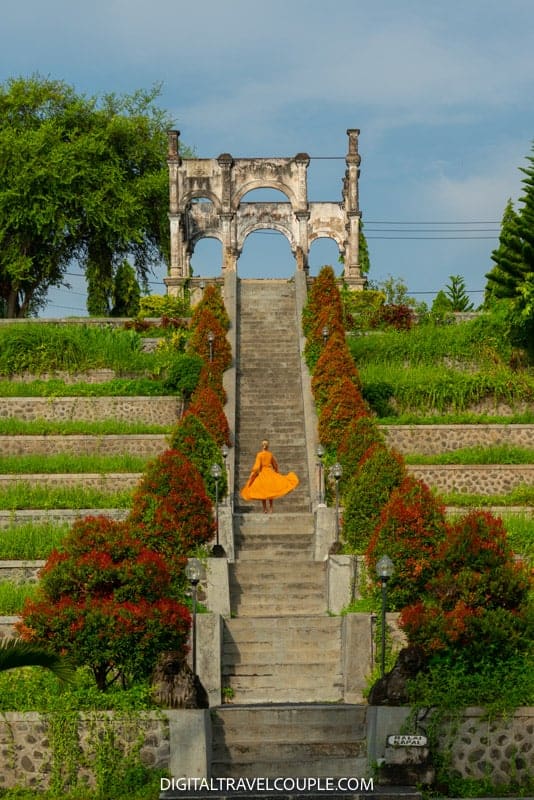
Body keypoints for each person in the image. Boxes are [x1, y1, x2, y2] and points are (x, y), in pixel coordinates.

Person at [240, 439, 299, 514]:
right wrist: (276, 472)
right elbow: (275, 464)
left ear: (262, 446)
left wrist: (252, 474)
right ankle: (271, 508)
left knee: (263, 492)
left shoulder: (259, 454)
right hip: (270, 473)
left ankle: (265, 508)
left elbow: (257, 466)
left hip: (262, 474)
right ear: (268, 446)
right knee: (270, 491)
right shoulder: (270, 454)